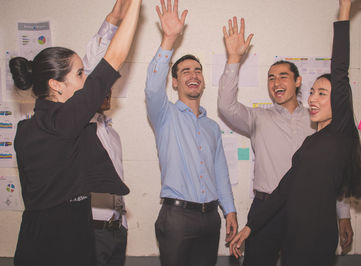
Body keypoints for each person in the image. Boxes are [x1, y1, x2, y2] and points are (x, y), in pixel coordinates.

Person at [229, 0, 361, 265]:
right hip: (295, 236)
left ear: (340, 101)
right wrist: (251, 226)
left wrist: (344, 10)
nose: (313, 99)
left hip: (315, 237)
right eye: (312, 92)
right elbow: (284, 189)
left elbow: (340, 70)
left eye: (322, 93)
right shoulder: (310, 142)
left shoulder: (340, 134)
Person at [9, 0, 141, 265]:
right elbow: (113, 60)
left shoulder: (26, 127)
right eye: (81, 74)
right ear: (56, 85)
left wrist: (113, 18)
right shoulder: (65, 122)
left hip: (34, 240)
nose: (87, 79)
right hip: (64, 244)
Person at [145, 0, 237, 265]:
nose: (193, 74)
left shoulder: (212, 127)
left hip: (211, 218)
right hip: (177, 218)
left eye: (197, 70)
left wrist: (229, 211)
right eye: (185, 71)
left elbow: (220, 172)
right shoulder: (165, 115)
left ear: (204, 81)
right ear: (175, 82)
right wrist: (168, 40)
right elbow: (152, 88)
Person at [91, 91, 128, 266]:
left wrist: (123, 225)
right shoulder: (79, 131)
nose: (107, 91)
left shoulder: (114, 134)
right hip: (92, 229)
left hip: (118, 229)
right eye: (100, 86)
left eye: (109, 87)